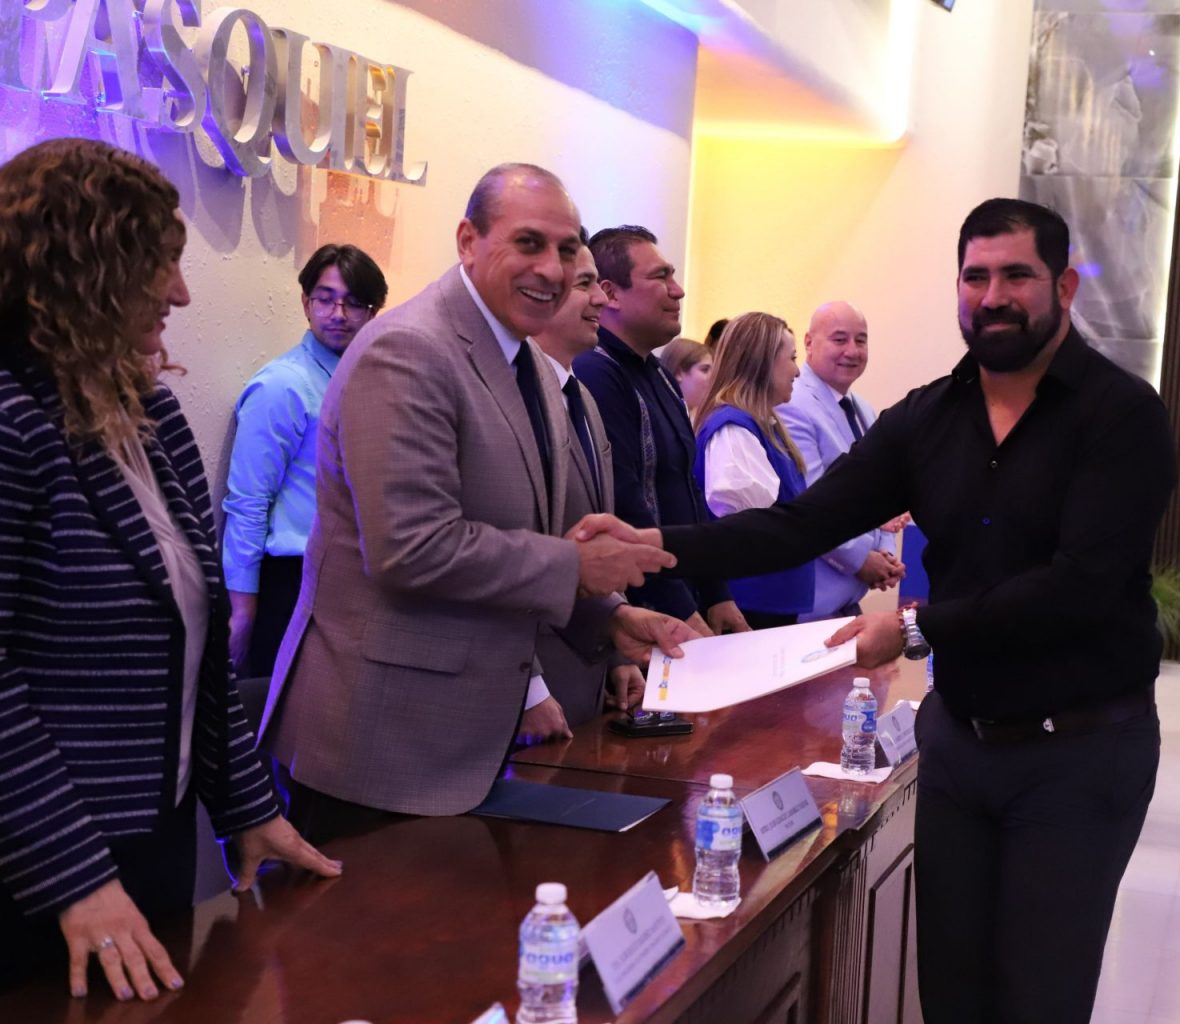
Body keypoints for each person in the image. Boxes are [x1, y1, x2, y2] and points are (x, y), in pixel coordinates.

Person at [587, 198, 1176, 1022]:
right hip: (961, 746)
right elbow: (800, 524)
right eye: (975, 277)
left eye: (1016, 275)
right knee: (952, 995)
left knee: (1040, 998)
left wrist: (913, 627)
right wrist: (652, 545)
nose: (993, 296)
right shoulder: (929, 418)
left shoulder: (1121, 416)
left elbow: (1079, 586)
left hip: (1078, 754)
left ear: (1065, 287)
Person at [0, 138, 339, 1000]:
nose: (181, 293)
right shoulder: (10, 418)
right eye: (159, 264)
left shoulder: (146, 408)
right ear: (82, 267)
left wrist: (250, 807)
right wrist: (73, 874)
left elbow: (199, 646)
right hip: (37, 863)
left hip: (152, 834)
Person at [261, 166, 691, 842]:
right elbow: (412, 547)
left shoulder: (528, 362)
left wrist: (609, 619)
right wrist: (577, 570)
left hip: (466, 746)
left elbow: (525, 533)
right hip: (379, 746)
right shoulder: (408, 350)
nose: (553, 269)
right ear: (468, 240)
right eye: (529, 243)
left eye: (568, 249)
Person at [222, 244, 388, 678]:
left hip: (354, 579)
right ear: (305, 303)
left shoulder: (372, 381)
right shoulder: (283, 386)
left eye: (354, 303)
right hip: (290, 582)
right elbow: (248, 502)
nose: (338, 314)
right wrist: (243, 609)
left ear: (374, 313)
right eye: (325, 298)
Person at [573, 226, 748, 637]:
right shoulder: (597, 371)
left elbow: (687, 491)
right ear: (610, 293)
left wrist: (716, 592)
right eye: (661, 277)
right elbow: (624, 502)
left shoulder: (660, 376)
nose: (678, 290)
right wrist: (681, 610)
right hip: (642, 612)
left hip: (683, 594)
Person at [520, 242, 648, 742]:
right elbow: (512, 545)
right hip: (528, 675)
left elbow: (598, 535)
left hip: (586, 668)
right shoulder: (515, 401)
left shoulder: (585, 399)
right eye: (584, 285)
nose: (601, 299)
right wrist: (529, 687)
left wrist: (615, 651)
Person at [777, 301, 904, 620]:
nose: (852, 350)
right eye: (839, 339)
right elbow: (810, 501)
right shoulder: (792, 404)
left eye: (861, 340)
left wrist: (885, 553)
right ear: (809, 342)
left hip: (847, 603)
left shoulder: (863, 408)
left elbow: (882, 490)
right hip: (809, 605)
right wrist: (862, 560)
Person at [693, 313, 816, 629]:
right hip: (749, 602)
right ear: (763, 363)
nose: (797, 371)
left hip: (771, 600)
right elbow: (747, 525)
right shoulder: (734, 428)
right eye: (792, 358)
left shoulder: (765, 425)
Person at [655, 336, 713, 415]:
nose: (713, 377)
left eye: (713, 371)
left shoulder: (704, 415)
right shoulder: (659, 414)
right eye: (705, 370)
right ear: (679, 373)